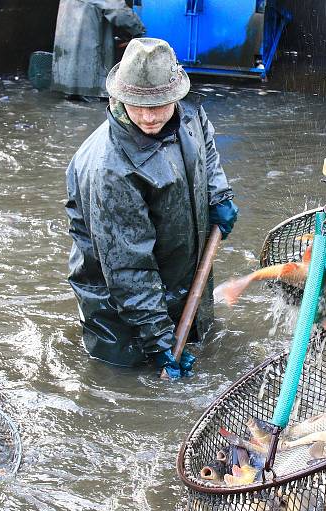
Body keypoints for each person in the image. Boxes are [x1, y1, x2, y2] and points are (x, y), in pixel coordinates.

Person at [65, 38, 239, 378]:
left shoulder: (189, 114)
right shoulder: (110, 169)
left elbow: (207, 149)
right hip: (120, 309)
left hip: (181, 278)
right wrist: (159, 342)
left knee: (201, 352)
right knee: (126, 386)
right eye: (137, 105)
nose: (148, 116)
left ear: (174, 95)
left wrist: (218, 196)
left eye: (158, 105)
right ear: (119, 97)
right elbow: (129, 270)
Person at [52, 0, 146, 100]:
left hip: (66, 76)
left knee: (73, 104)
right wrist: (140, 31)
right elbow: (118, 11)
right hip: (89, 75)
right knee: (93, 108)